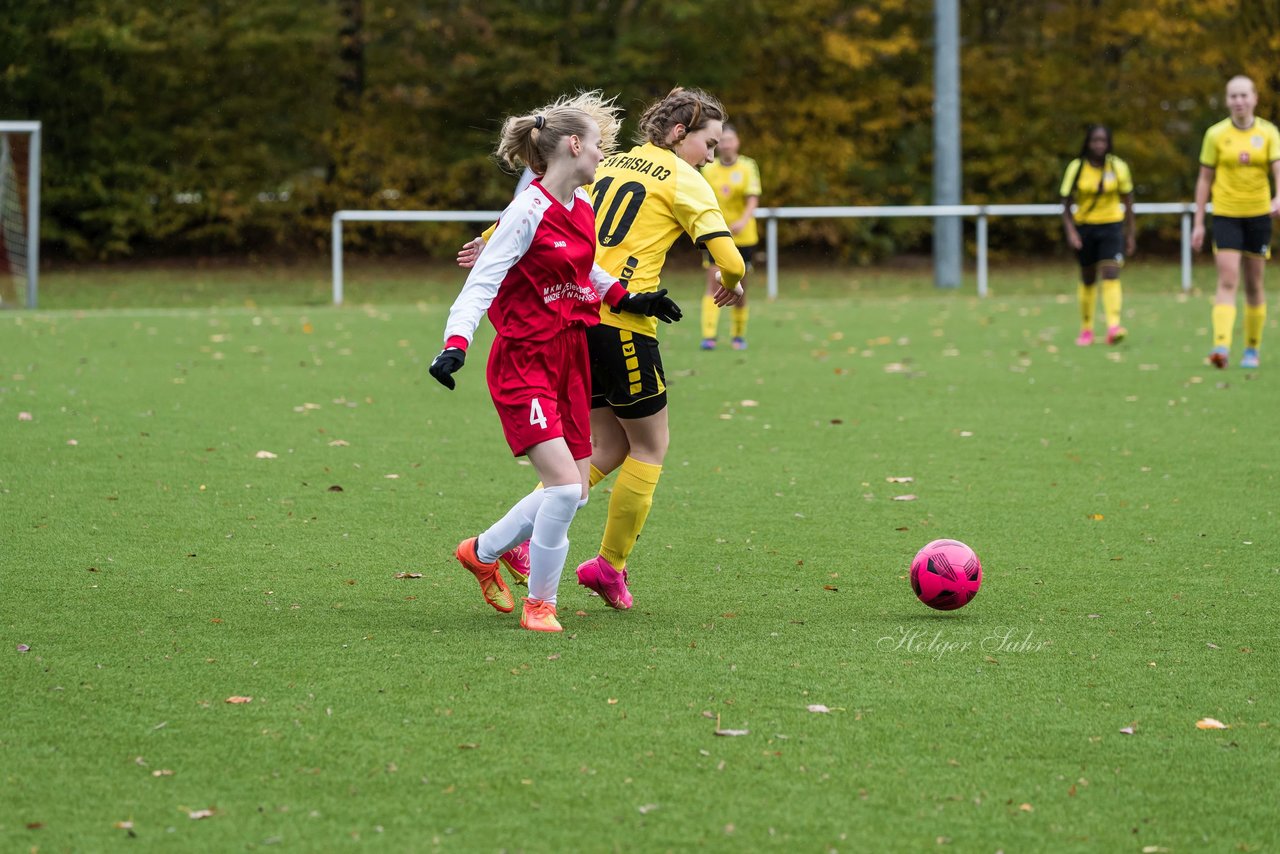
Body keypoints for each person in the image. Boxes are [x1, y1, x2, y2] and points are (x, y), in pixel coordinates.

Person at [458, 87, 746, 611]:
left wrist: (486, 238)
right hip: (625, 322)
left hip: (576, 321)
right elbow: (729, 257)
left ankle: (512, 541)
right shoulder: (687, 180)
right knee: (651, 448)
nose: (712, 152)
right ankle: (608, 567)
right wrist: (736, 280)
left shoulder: (606, 163)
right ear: (681, 134)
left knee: (604, 449)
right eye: (708, 141)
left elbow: (540, 204)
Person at [429, 91, 681, 633]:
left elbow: (587, 272)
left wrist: (631, 299)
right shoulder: (527, 211)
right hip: (524, 360)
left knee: (576, 489)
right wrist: (455, 344)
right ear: (573, 145)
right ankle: (541, 605)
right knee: (565, 489)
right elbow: (482, 282)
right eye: (597, 147)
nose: (601, 157)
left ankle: (482, 550)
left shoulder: (582, 206)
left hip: (569, 356)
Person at [1192, 75, 1280, 369]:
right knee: (1228, 279)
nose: (1239, 101)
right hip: (1227, 214)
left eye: (1244, 95)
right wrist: (1199, 222)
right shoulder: (1215, 134)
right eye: (1233, 96)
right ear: (1227, 100)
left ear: (1255, 98)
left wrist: (1278, 197)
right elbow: (1205, 178)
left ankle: (1252, 349)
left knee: (1254, 283)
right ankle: (1221, 346)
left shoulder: (1268, 133)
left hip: (1258, 215)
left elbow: (1278, 169)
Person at [1059, 124, 1136, 347]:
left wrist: (1130, 233)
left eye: (1103, 140)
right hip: (1085, 227)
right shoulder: (1077, 168)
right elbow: (1065, 201)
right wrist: (1071, 231)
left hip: (1112, 225)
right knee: (1088, 277)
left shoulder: (1118, 166)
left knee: (1111, 272)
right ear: (1088, 142)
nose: (1099, 145)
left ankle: (1114, 326)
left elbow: (1128, 200)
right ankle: (1087, 329)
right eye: (1095, 140)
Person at [699, 123, 761, 350]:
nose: (725, 144)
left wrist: (743, 220)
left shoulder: (747, 166)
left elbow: (753, 197)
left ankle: (738, 335)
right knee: (713, 283)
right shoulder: (708, 168)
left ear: (737, 142)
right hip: (716, 235)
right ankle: (709, 336)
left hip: (744, 237)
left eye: (730, 140)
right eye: (721, 140)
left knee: (740, 288)